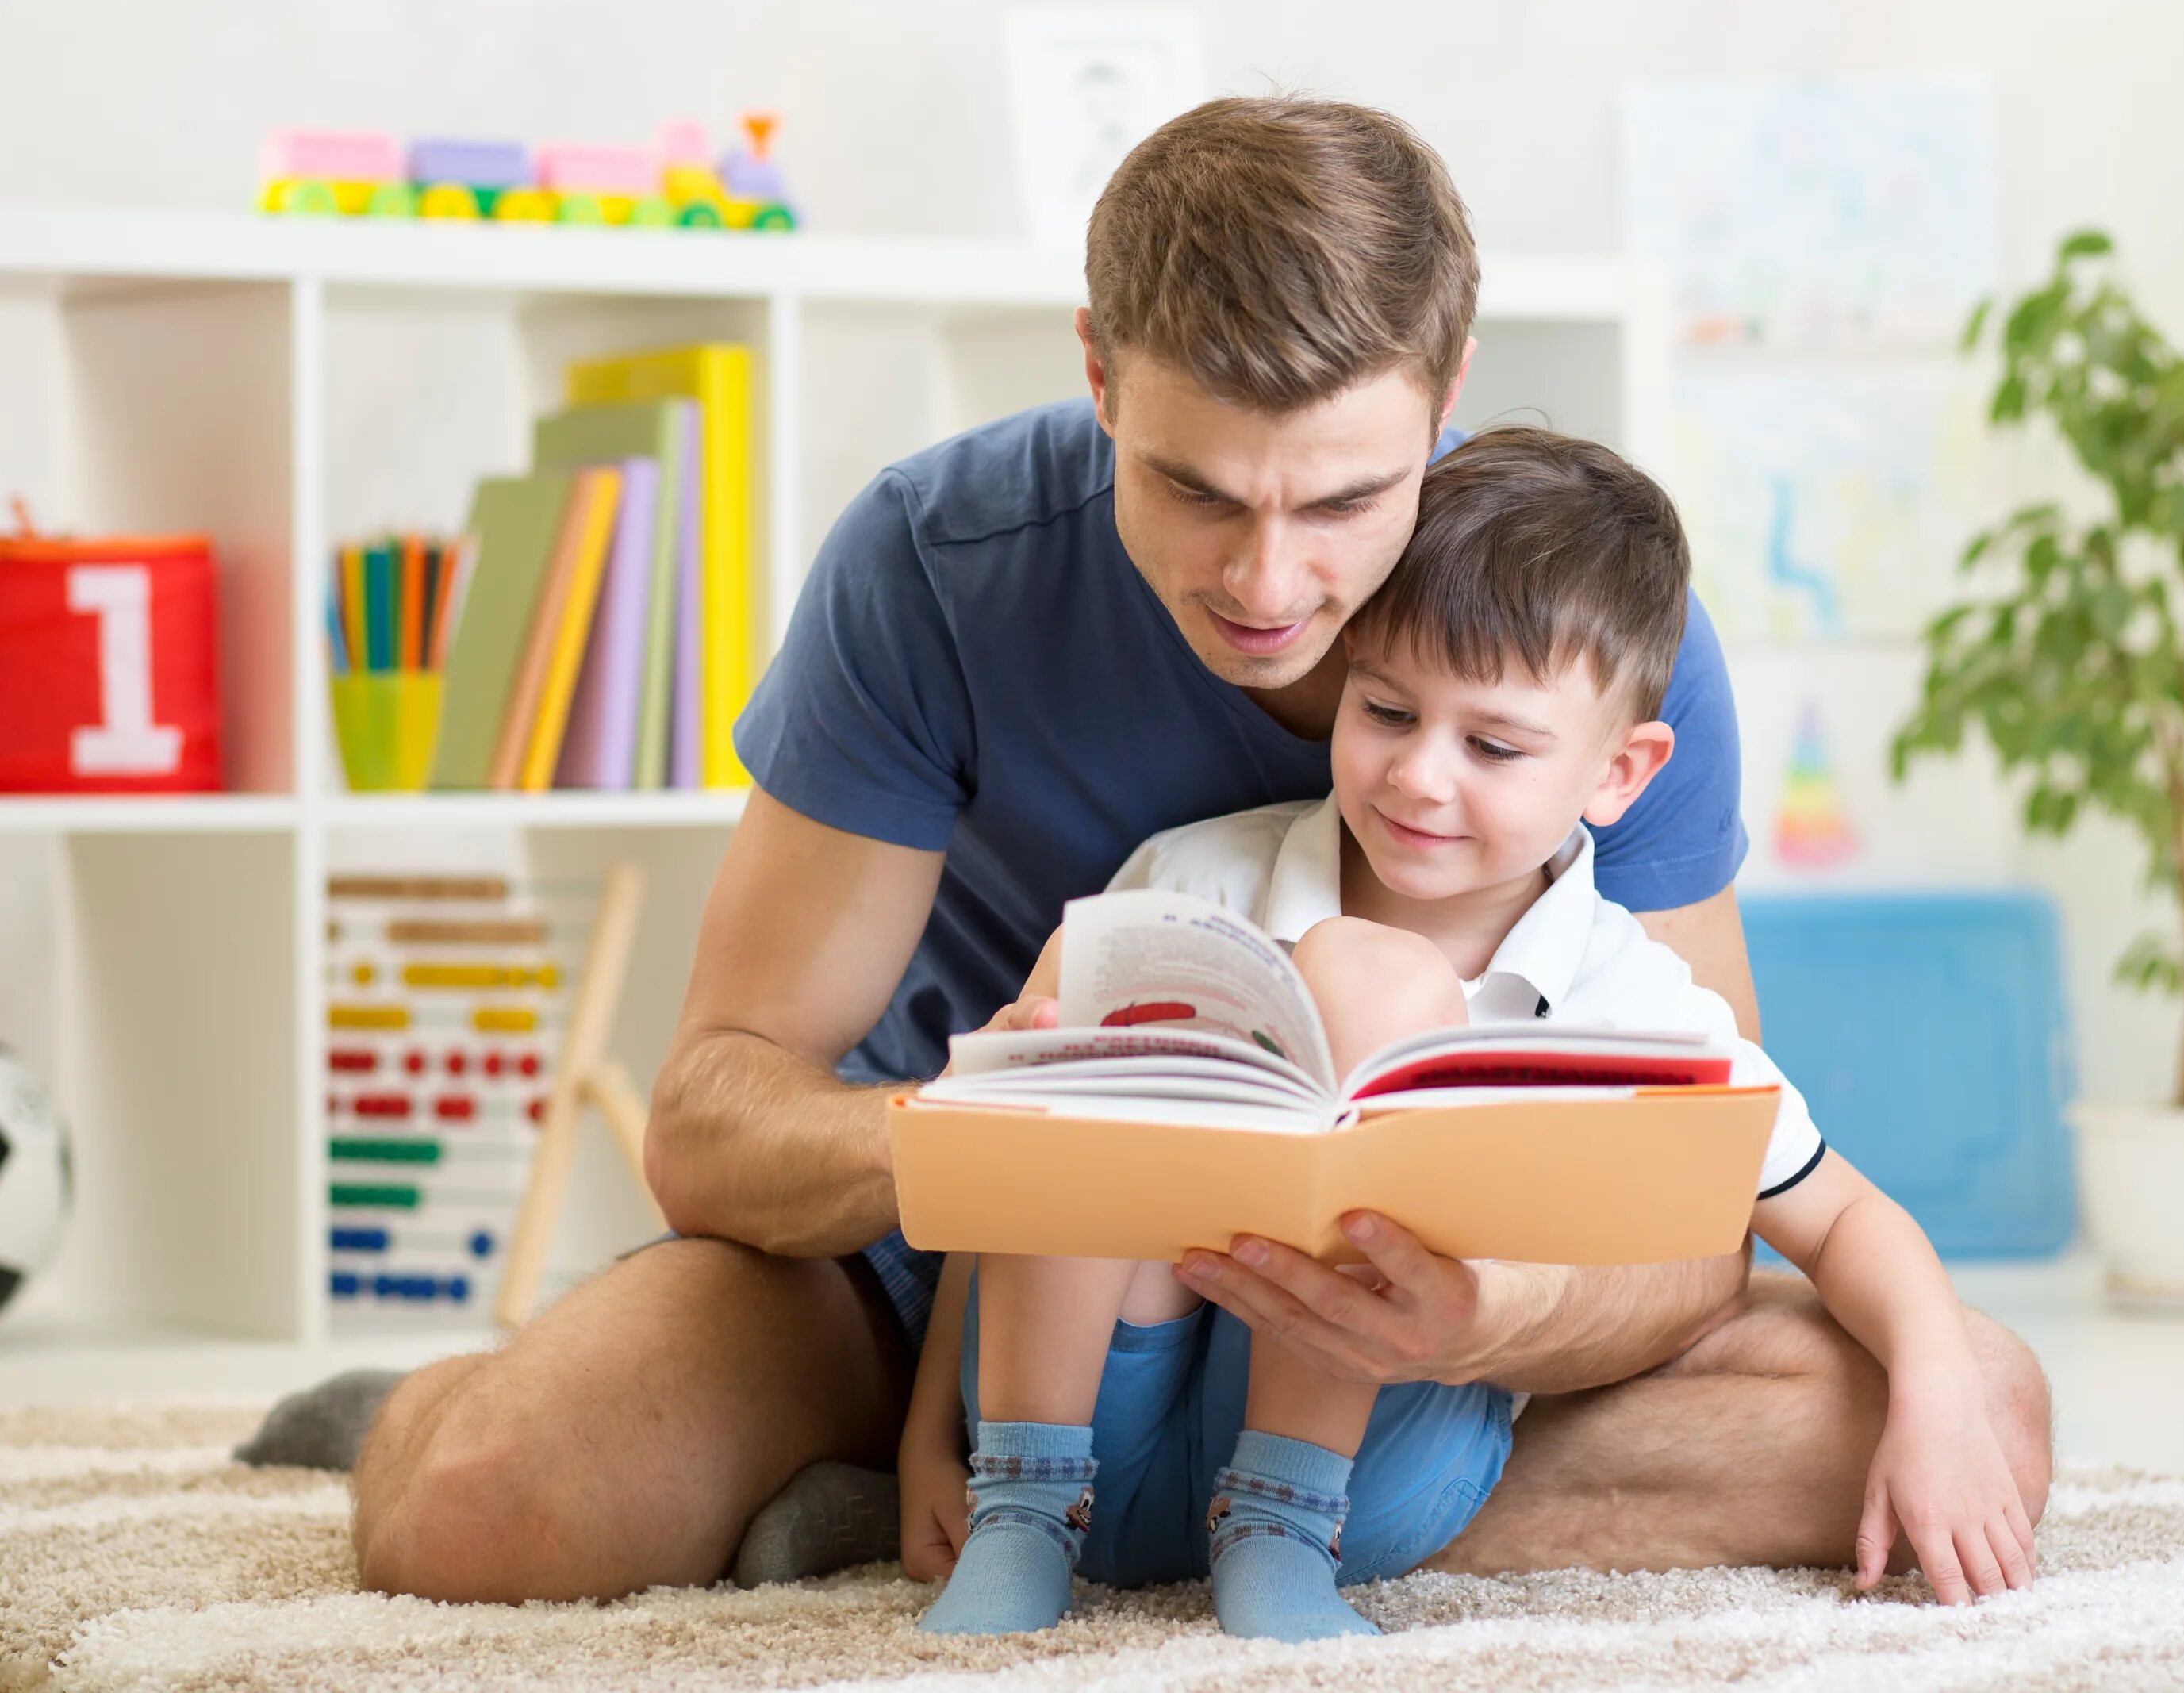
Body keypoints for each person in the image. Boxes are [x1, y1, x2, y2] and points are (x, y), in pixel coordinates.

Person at [339, 96, 2050, 1608]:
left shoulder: (1587, 659)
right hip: (928, 1275)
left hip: (1393, 1342)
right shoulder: (933, 563)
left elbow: (1694, 1209)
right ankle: (976, 1466)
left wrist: (1475, 1319)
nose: (1270, 582)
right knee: (489, 1512)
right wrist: (1019, 1145)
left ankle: (1144, 1523)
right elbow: (715, 1114)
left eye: (1341, 503)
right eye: (1198, 492)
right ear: (1096, 372)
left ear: (1447, 396)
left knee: (1974, 1403)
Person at [904, 428, 2038, 1642]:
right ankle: (1019, 1511)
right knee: (1095, 965)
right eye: (1386, 709)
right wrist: (926, 1436)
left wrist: (1937, 1391)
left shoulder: (1630, 995)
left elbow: (1845, 1216)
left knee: (1378, 990)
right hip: (1087, 1413)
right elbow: (1017, 1166)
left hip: (1368, 1473)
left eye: (1492, 745)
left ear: (1620, 773)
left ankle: (1278, 1531)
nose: (1420, 777)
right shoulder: (1195, 878)